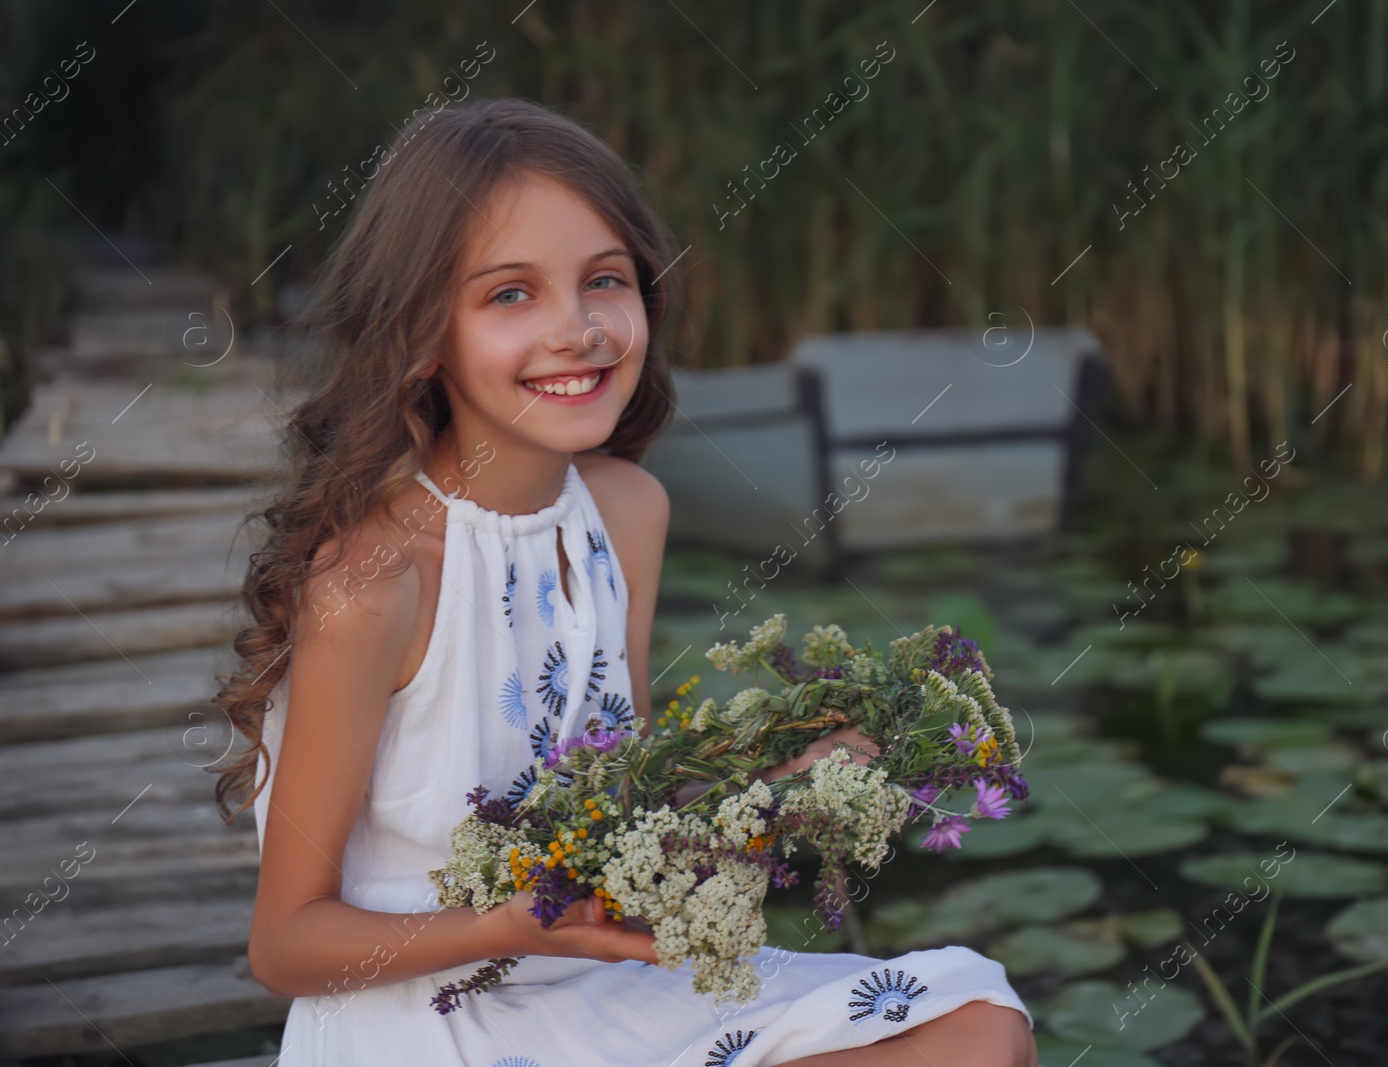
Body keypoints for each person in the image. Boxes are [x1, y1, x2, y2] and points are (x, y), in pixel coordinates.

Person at [211, 96, 1037, 1067]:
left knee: (978, 1026)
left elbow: (616, 797)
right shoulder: (374, 585)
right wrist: (513, 924)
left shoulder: (625, 512)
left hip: (601, 979)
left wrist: (776, 773)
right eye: (509, 293)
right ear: (423, 332)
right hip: (427, 1012)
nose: (577, 329)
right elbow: (285, 943)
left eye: (604, 280)